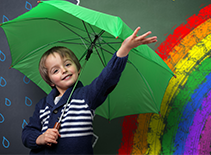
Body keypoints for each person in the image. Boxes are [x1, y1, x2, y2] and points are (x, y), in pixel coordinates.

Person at [22, 27, 157, 154]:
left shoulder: (87, 96)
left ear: (78, 69)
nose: (64, 70)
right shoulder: (42, 105)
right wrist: (40, 138)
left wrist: (124, 50)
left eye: (68, 64)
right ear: (50, 81)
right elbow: (27, 133)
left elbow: (106, 79)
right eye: (55, 70)